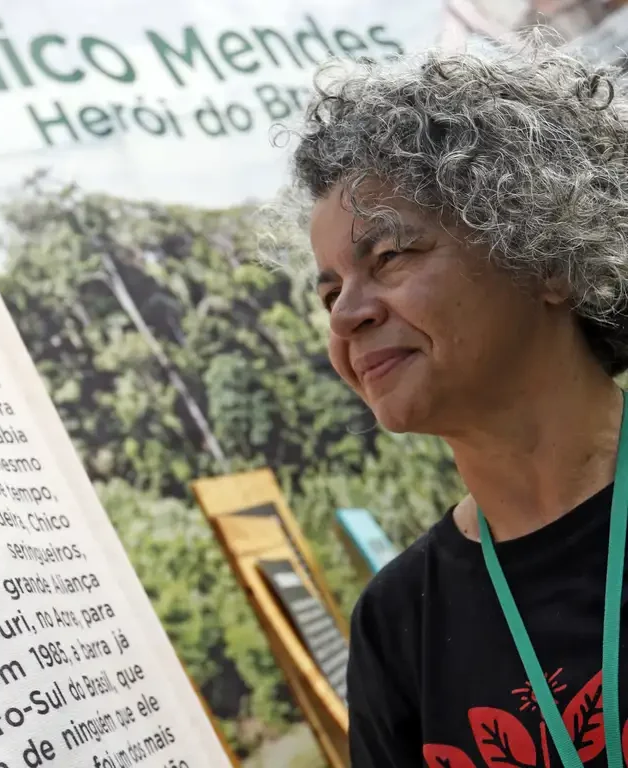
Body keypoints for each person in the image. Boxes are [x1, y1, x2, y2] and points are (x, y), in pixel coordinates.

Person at [289, 34, 628, 767]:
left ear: (548, 256)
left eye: (388, 257)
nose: (346, 315)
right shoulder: (395, 625)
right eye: (328, 293)